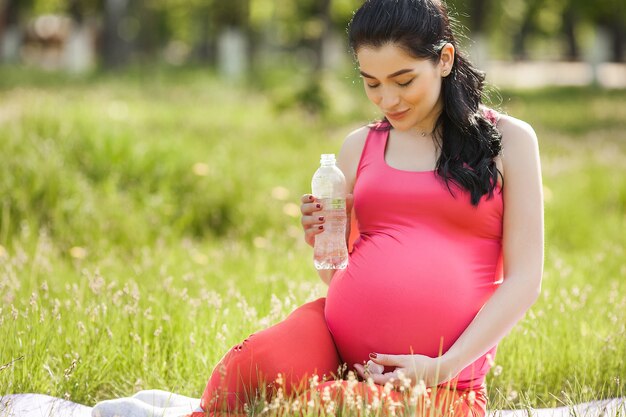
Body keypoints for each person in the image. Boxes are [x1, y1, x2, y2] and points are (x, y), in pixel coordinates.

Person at [181, 0, 545, 416]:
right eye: (371, 83)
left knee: (328, 406)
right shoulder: (360, 146)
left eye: (403, 80)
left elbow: (525, 280)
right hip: (334, 340)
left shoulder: (510, 141)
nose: (388, 99)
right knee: (247, 371)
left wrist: (443, 366)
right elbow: (333, 272)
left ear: (444, 60)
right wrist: (321, 240)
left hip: (444, 385)